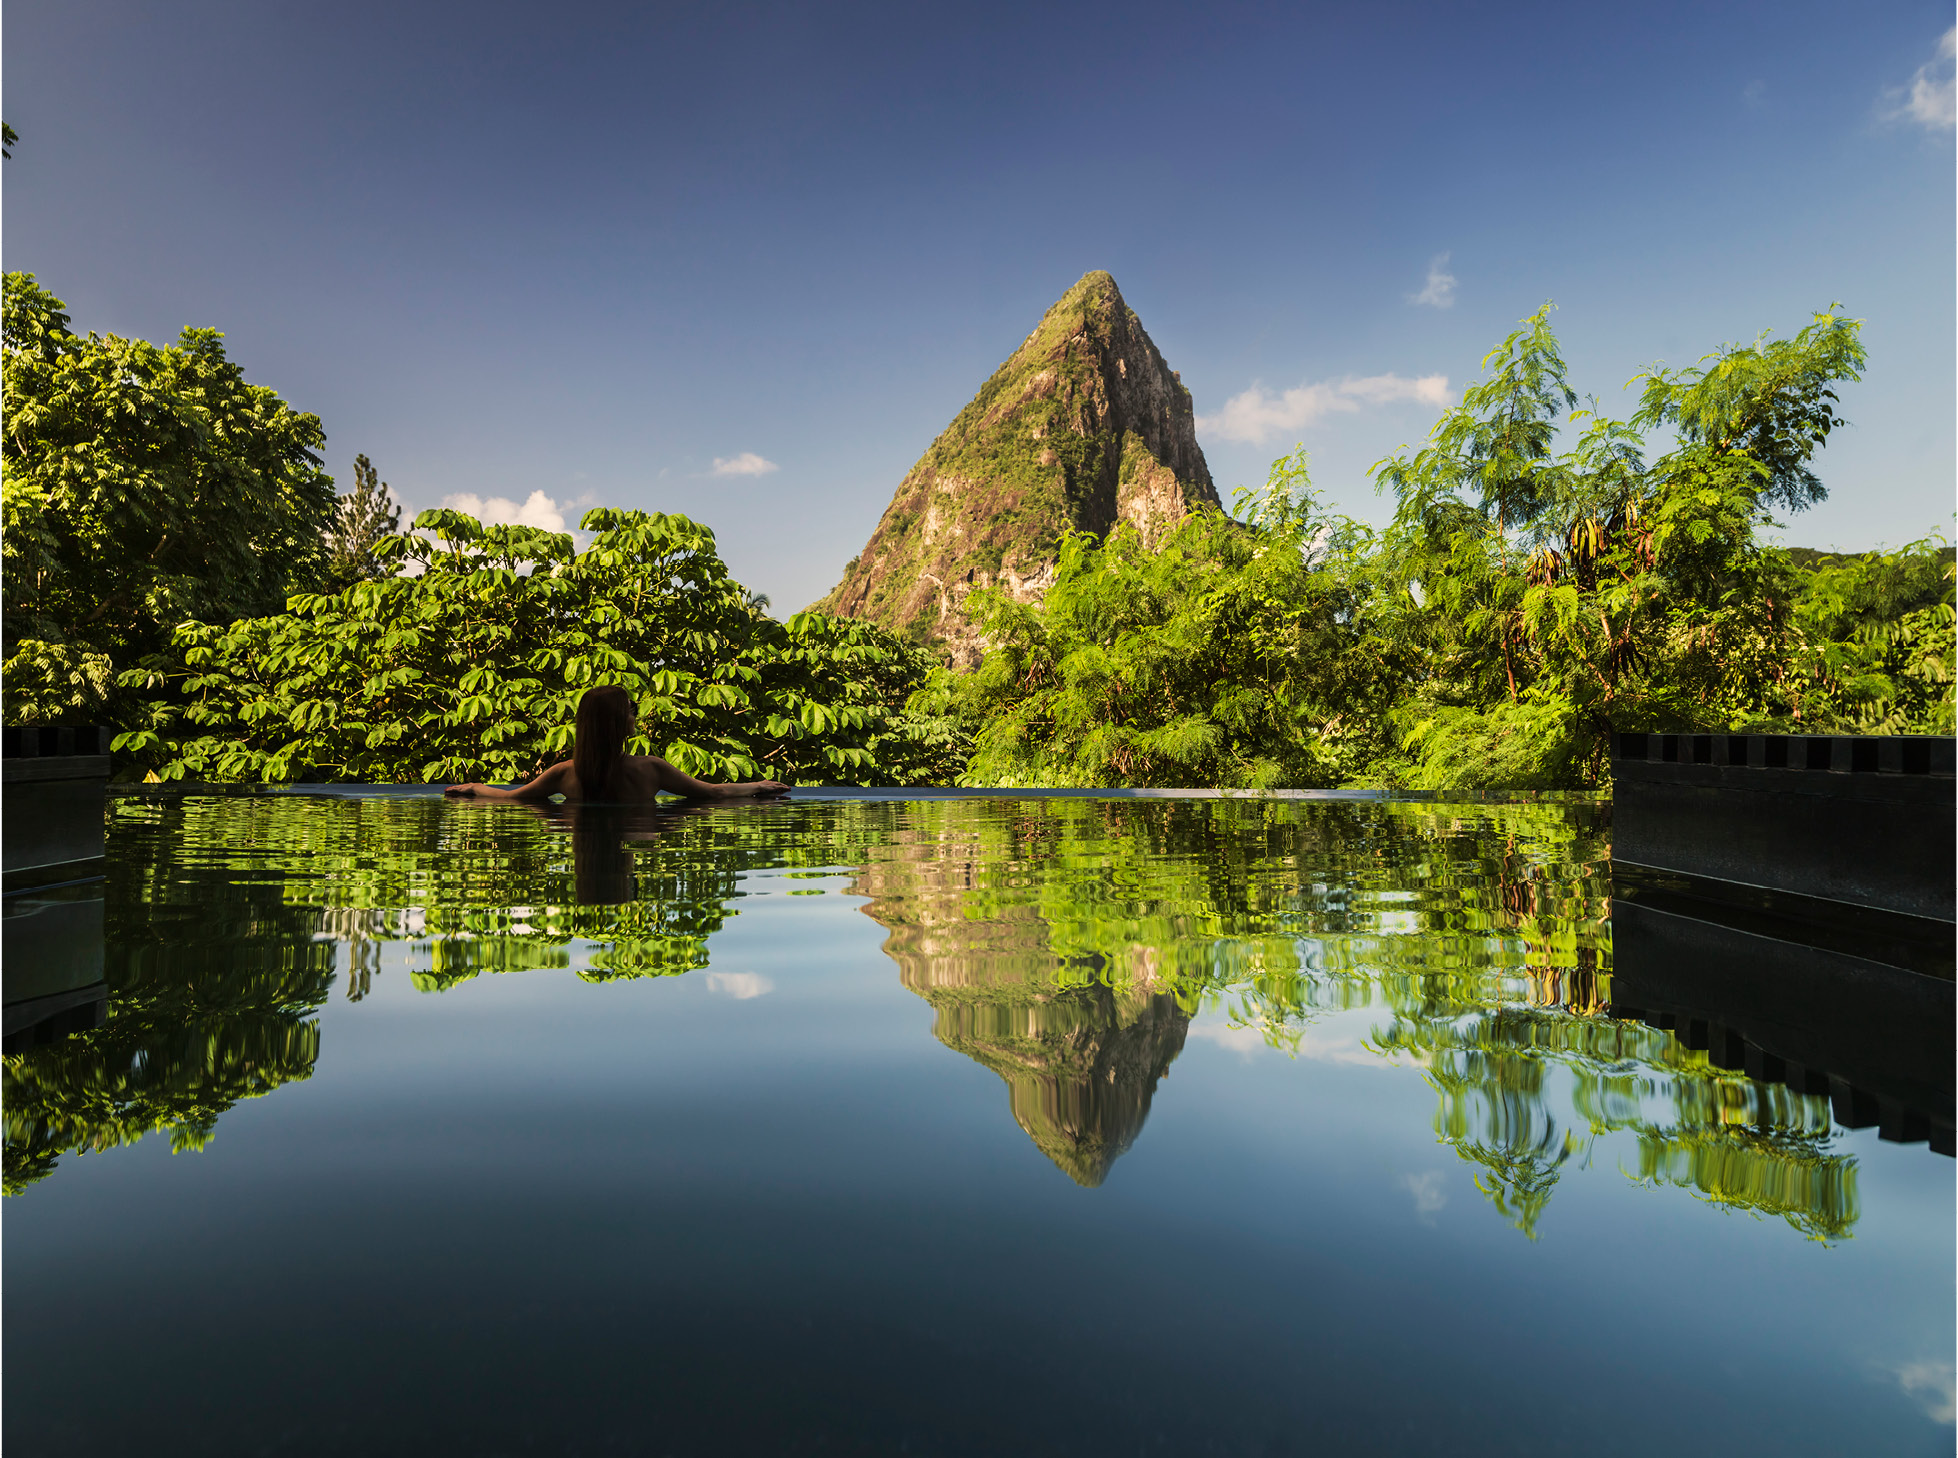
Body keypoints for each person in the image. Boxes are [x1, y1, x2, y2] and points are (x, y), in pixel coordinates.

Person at [443, 684, 790, 802]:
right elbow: (713, 793)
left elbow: (510, 799)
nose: (634, 716)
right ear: (618, 723)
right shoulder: (650, 768)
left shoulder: (565, 773)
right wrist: (757, 786)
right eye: (630, 710)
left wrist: (475, 787)